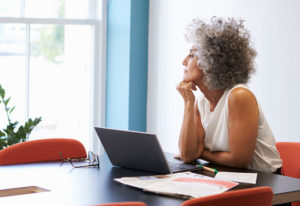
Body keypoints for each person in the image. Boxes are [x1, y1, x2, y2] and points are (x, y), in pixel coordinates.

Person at [176, 17, 282, 173]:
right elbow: (187, 155)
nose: (184, 61)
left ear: (211, 60)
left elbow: (239, 160)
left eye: (192, 54)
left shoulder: (239, 96)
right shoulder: (201, 101)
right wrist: (187, 103)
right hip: (228, 176)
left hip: (265, 183)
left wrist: (202, 152)